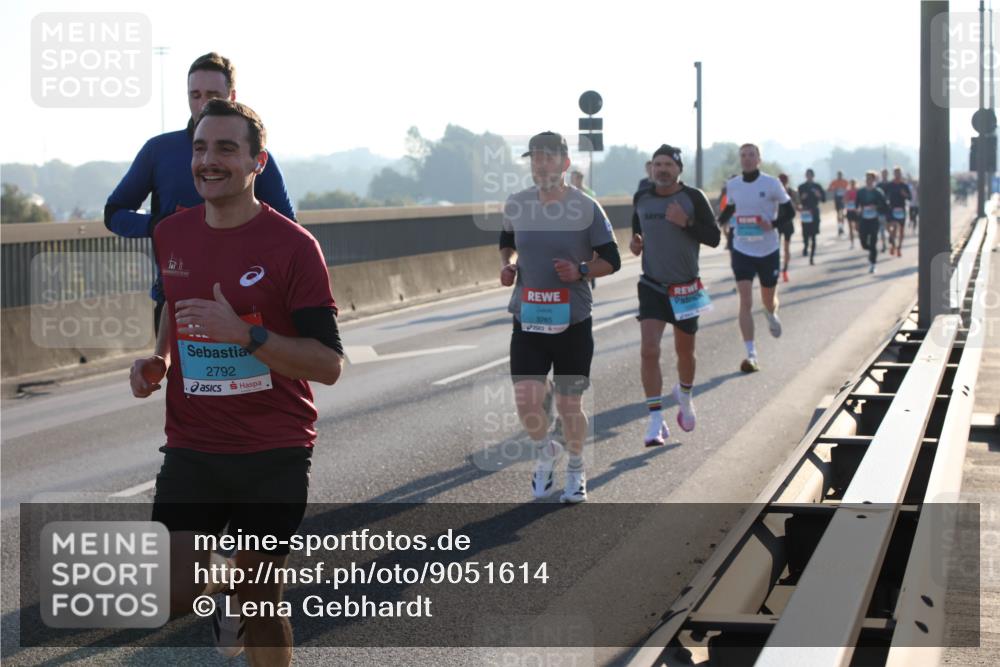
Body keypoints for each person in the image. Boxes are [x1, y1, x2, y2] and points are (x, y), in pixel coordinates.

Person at [129, 99, 343, 666]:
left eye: (226, 148)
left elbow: (328, 363)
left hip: (273, 450)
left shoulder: (294, 246)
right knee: (169, 593)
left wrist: (245, 336)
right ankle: (229, 589)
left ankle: (245, 594)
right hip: (194, 445)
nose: (209, 160)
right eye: (200, 148)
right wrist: (160, 359)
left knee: (264, 602)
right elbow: (175, 306)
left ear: (257, 162)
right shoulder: (170, 233)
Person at [105, 52, 295, 334]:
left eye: (212, 95)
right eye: (195, 95)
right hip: (177, 302)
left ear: (232, 96)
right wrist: (158, 225)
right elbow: (113, 213)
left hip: (246, 301)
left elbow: (288, 228)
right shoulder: (159, 151)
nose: (203, 103)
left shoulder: (252, 156)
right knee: (176, 367)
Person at [500, 131, 621, 503]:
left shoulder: (586, 207)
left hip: (573, 320)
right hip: (529, 316)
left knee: (569, 405)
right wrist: (509, 265)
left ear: (565, 163)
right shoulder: (518, 203)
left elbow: (612, 260)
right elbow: (507, 243)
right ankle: (546, 450)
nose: (541, 164)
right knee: (526, 401)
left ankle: (576, 467)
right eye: (535, 158)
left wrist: (581, 270)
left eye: (548, 157)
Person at [630, 145, 720, 446]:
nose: (662, 169)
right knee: (648, 350)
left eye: (668, 164)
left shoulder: (693, 197)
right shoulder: (641, 197)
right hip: (652, 285)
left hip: (685, 288)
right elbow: (638, 231)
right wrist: (636, 244)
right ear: (651, 168)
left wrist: (687, 223)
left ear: (679, 169)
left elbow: (715, 238)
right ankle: (655, 419)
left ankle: (685, 394)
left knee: (685, 352)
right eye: (657, 164)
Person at [717, 144, 793, 372]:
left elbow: (790, 211)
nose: (747, 159)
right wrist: (713, 225)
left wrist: (773, 224)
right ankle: (751, 354)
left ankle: (770, 312)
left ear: (759, 159)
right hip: (742, 249)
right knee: (745, 301)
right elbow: (729, 210)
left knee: (768, 299)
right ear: (740, 159)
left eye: (751, 155)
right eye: (743, 155)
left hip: (768, 250)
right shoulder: (733, 185)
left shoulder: (771, 183)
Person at [856, 170, 889, 274]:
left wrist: (876, 207)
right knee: (863, 243)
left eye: (870, 179)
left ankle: (873, 264)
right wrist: (858, 210)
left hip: (874, 219)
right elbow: (857, 205)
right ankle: (871, 250)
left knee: (873, 242)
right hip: (864, 219)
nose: (868, 180)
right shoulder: (861, 192)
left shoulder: (878, 192)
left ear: (874, 180)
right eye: (867, 179)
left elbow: (885, 206)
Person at [797, 168, 826, 265]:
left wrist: (819, 195)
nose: (809, 177)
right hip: (805, 211)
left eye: (810, 175)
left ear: (813, 176)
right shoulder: (801, 187)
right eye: (807, 175)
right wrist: (802, 198)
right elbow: (797, 200)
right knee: (805, 233)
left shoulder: (817, 186)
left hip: (814, 211)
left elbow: (824, 199)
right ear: (805, 176)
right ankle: (805, 246)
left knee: (813, 236)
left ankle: (812, 257)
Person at [883, 166, 912, 256]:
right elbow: (884, 195)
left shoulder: (904, 185)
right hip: (891, 209)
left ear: (901, 174)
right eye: (896, 173)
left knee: (901, 230)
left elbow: (910, 197)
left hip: (901, 209)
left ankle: (899, 248)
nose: (897, 175)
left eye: (899, 173)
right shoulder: (890, 185)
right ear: (894, 174)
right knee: (889, 227)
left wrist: (904, 194)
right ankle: (893, 244)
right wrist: (886, 201)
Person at [777, 173, 798, 282]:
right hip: (778, 223)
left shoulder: (791, 192)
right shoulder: (775, 192)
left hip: (786, 223)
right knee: (778, 249)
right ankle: (780, 270)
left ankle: (784, 270)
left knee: (785, 248)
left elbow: (795, 206)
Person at [828, 170, 849, 237]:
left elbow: (848, 189)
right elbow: (829, 189)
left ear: (842, 175)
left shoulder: (845, 182)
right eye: (838, 175)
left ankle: (841, 227)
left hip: (843, 199)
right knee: (839, 213)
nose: (839, 176)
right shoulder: (834, 182)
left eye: (840, 175)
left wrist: (845, 191)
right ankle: (840, 227)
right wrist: (834, 189)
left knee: (841, 213)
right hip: (837, 199)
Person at [844, 178, 860, 249]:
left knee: (857, 227)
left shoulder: (858, 191)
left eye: (854, 183)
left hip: (856, 211)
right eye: (851, 183)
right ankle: (852, 243)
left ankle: (861, 239)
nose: (853, 184)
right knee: (850, 228)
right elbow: (844, 201)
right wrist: (847, 199)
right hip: (849, 210)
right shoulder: (847, 191)